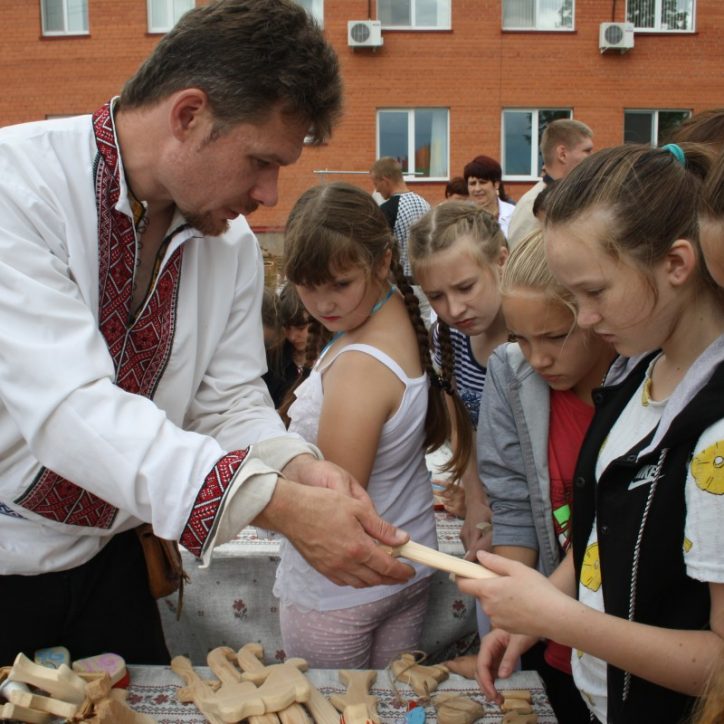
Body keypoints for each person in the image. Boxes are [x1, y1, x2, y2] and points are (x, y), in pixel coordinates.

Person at [0, 0, 415, 666]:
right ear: (189, 115)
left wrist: (296, 467)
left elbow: (226, 400)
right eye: (261, 161)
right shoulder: (17, 187)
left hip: (110, 560)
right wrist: (275, 506)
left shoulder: (232, 244)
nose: (271, 193)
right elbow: (69, 410)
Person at [457, 143, 724, 723]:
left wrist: (555, 618)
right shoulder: (638, 374)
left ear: (677, 265)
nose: (587, 319)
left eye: (595, 293)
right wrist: (539, 608)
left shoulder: (715, 432)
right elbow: (604, 531)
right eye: (574, 298)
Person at [273, 182, 471, 668]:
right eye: (308, 285)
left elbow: (334, 501)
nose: (323, 304)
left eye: (340, 284)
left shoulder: (360, 364)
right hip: (403, 562)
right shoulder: (394, 314)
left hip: (345, 587)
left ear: (383, 261)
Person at [448, 231, 615, 723]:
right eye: (520, 336)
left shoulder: (638, 383)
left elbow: (607, 530)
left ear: (592, 314)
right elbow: (515, 506)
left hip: (626, 637)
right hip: (553, 636)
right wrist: (512, 603)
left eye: (554, 337)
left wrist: (536, 606)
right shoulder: (511, 371)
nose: (537, 358)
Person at [408, 201, 509, 556]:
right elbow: (462, 425)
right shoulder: (447, 337)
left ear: (501, 260)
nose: (453, 309)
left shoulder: (535, 336)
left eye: (465, 287)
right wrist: (477, 499)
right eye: (436, 296)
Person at [507, 119, 594, 248]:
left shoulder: (580, 198)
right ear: (562, 154)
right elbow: (523, 265)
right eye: (587, 151)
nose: (593, 158)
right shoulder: (530, 205)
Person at [370, 157, 433, 325]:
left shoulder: (387, 210)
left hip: (401, 287)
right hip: (427, 284)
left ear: (384, 180)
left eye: (375, 183)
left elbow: (377, 250)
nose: (375, 189)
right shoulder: (425, 204)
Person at [263, 283, 311, 408]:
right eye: (287, 328)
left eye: (301, 328)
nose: (293, 337)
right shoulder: (271, 358)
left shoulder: (329, 358)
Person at [463, 155, 516, 238]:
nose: (477, 189)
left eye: (482, 182)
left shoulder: (514, 214)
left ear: (496, 185)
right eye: (472, 183)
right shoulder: (461, 219)